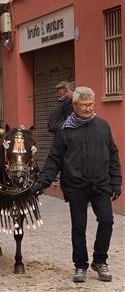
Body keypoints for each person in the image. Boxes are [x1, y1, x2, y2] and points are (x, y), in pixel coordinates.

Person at [31, 87, 122, 283]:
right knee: (78, 227)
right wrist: (41, 183)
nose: (89, 109)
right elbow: (54, 160)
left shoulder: (103, 126)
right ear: (75, 106)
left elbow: (113, 155)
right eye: (84, 105)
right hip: (76, 186)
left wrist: (116, 182)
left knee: (107, 221)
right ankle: (80, 266)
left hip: (100, 185)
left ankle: (100, 261)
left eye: (91, 104)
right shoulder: (65, 130)